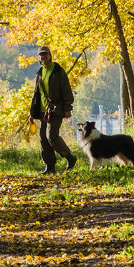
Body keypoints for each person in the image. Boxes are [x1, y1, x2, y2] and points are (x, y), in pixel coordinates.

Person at [28, 45, 77, 174]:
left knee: (52, 136)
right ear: (38, 58)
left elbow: (66, 90)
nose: (43, 57)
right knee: (43, 138)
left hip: (57, 109)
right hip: (43, 111)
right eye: (41, 55)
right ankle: (50, 167)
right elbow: (36, 94)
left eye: (46, 54)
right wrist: (32, 113)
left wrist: (67, 108)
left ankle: (70, 157)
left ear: (50, 56)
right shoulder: (39, 72)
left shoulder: (58, 70)